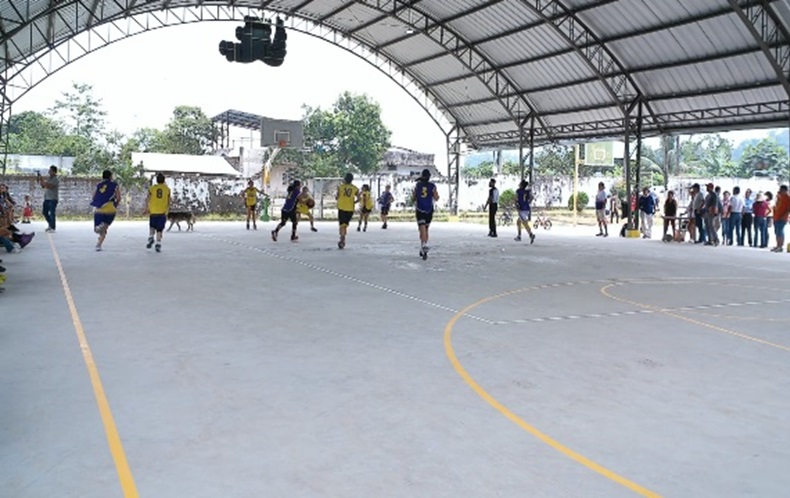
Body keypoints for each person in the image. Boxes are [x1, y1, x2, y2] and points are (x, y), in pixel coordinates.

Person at [90, 170, 121, 251]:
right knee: (104, 228)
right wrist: (115, 205)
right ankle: (98, 245)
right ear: (110, 176)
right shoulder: (115, 185)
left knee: (100, 229)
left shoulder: (99, 185)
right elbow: (118, 198)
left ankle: (98, 241)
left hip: (98, 209)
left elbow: (93, 197)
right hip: (110, 209)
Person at [413, 168, 439, 259]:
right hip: (429, 210)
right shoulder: (432, 186)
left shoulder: (418, 185)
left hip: (420, 209)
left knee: (422, 229)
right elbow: (436, 198)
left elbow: (414, 198)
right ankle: (423, 246)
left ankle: (423, 246)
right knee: (425, 229)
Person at [145, 173, 171, 253]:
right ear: (164, 180)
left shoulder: (152, 188)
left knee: (152, 226)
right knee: (159, 229)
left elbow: (147, 198)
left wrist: (146, 208)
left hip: (153, 211)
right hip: (162, 212)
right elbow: (169, 201)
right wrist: (167, 210)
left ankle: (151, 237)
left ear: (156, 180)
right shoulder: (167, 189)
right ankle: (158, 244)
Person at [336, 173, 359, 249]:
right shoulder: (354, 188)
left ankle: (342, 239)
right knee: (345, 224)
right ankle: (342, 238)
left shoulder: (341, 187)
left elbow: (337, 197)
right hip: (350, 208)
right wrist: (354, 202)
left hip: (342, 207)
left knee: (342, 225)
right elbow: (359, 198)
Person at [38, 165, 59, 233]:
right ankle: (50, 225)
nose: (49, 172)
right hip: (47, 198)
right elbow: (43, 186)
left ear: (54, 172)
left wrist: (43, 181)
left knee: (52, 213)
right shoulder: (49, 179)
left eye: (50, 171)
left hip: (53, 198)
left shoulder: (55, 179)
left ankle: (52, 227)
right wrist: (40, 180)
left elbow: (49, 186)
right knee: (45, 212)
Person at [514, 179, 536, 244]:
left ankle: (531, 234)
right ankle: (519, 236)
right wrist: (528, 202)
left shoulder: (518, 191)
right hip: (526, 208)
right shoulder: (527, 191)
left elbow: (515, 199)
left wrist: (516, 204)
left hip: (522, 209)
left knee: (524, 223)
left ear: (521, 185)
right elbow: (532, 197)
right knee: (519, 222)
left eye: (520, 184)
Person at [771, 185, 789, 253]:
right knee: (776, 232)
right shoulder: (779, 197)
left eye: (781, 190)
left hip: (782, 217)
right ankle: (777, 245)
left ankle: (780, 246)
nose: (780, 191)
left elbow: (788, 209)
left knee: (780, 231)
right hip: (776, 216)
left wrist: (785, 215)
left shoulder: (788, 198)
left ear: (784, 190)